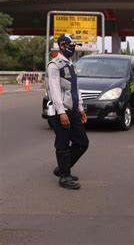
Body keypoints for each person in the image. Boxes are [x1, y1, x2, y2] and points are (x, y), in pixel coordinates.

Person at [46, 34, 89, 190]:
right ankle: (65, 177)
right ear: (62, 46)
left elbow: (75, 89)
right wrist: (61, 112)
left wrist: (81, 108)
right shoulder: (54, 66)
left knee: (82, 142)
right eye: (70, 45)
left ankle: (63, 168)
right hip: (61, 111)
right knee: (63, 143)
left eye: (74, 46)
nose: (73, 48)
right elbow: (55, 90)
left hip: (73, 110)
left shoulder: (70, 65)